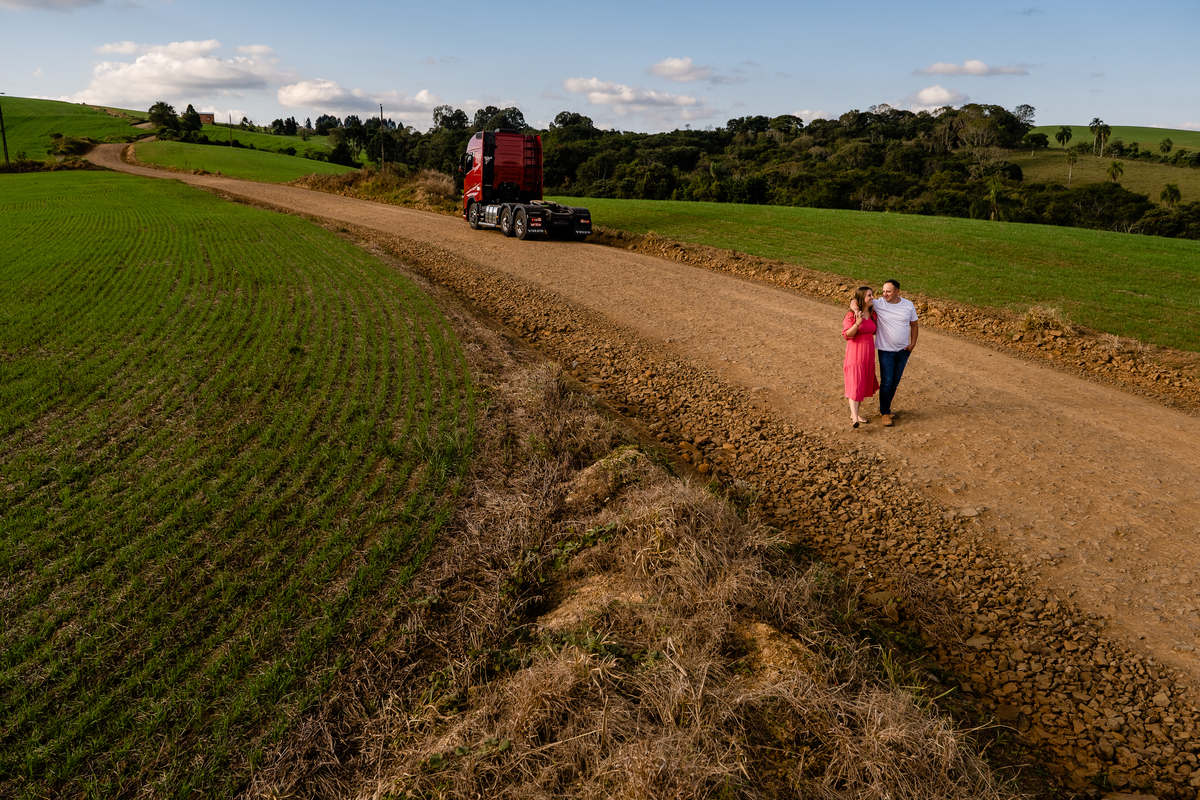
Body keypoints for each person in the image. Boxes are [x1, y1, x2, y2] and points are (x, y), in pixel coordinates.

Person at [873, 279, 919, 427]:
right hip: (886, 350)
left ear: (897, 291)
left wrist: (913, 343)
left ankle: (885, 408)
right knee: (886, 381)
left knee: (895, 381)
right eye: (883, 291)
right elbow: (856, 301)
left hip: (904, 351)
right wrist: (855, 309)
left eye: (888, 291)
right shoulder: (879, 303)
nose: (885, 294)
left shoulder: (908, 305)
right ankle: (885, 412)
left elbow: (914, 324)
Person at [843, 286, 879, 428]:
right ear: (862, 298)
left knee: (862, 383)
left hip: (868, 355)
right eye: (869, 295)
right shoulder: (850, 316)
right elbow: (847, 335)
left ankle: (855, 413)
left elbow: (854, 300)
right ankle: (854, 419)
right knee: (855, 384)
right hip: (855, 354)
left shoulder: (873, 314)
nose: (872, 297)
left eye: (872, 294)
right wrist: (857, 323)